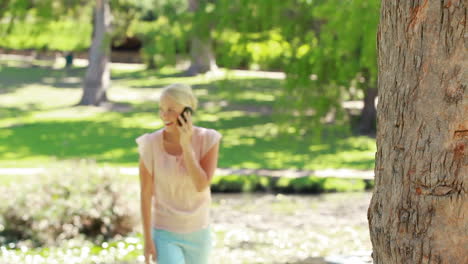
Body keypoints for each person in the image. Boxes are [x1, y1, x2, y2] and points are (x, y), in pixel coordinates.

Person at [136, 83, 222, 264]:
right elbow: (145, 194)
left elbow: (201, 184)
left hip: (199, 232)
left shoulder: (208, 139)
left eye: (171, 110)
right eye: (161, 109)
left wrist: (186, 145)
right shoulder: (150, 144)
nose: (164, 116)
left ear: (187, 112)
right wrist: (147, 240)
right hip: (165, 234)